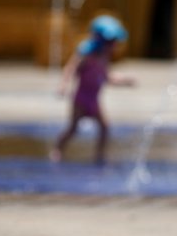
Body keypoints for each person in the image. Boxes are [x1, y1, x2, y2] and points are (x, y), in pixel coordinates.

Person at [51, 14, 134, 166]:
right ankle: (57, 150)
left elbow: (107, 77)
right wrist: (63, 85)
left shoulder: (104, 57)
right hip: (81, 99)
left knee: (105, 126)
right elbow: (71, 68)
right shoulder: (87, 54)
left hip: (94, 100)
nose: (114, 45)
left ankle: (100, 155)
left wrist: (125, 81)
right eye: (111, 42)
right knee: (73, 128)